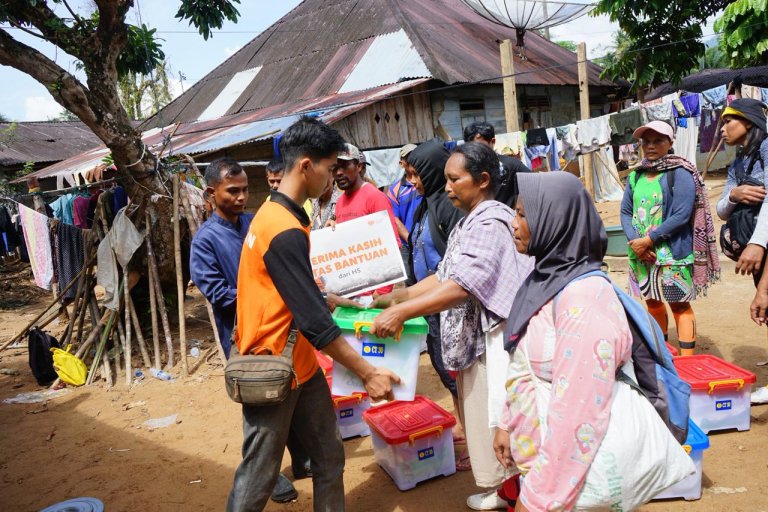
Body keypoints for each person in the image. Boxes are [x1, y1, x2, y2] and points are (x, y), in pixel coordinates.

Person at [227, 117, 400, 512]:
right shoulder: (281, 228)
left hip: (301, 365)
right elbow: (315, 323)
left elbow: (292, 296)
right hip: (273, 369)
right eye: (329, 167)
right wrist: (368, 372)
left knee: (329, 456)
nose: (333, 177)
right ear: (306, 166)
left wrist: (323, 294)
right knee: (258, 477)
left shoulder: (276, 214)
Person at [371, 142, 534, 511]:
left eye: (454, 179)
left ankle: (518, 497)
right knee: (487, 418)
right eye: (445, 179)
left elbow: (462, 286)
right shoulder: (470, 220)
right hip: (479, 339)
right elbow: (446, 274)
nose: (446, 187)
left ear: (483, 180)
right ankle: (506, 492)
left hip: (497, 339)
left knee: (501, 421)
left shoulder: (489, 223)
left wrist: (402, 312)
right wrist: (399, 297)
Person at [495, 171, 633, 511]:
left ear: (555, 221)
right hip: (543, 470)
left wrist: (538, 499)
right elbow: (524, 363)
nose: (513, 224)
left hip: (564, 485)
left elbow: (578, 414)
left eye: (523, 215)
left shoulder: (583, 298)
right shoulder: (546, 279)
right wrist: (507, 422)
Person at [190, 158, 306, 504]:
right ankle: (267, 476)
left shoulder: (254, 223)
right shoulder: (205, 241)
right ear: (211, 193)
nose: (242, 197)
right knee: (259, 406)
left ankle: (302, 457)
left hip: (279, 329)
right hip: (243, 338)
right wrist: (267, 293)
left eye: (244, 190)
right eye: (233, 191)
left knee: (289, 392)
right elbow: (217, 293)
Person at [620, 120, 719, 356]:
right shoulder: (636, 176)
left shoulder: (680, 173)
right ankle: (662, 353)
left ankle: (687, 359)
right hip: (641, 254)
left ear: (670, 142)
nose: (650, 146)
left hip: (672, 254)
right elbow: (625, 212)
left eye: (658, 141)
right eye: (646, 141)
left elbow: (681, 214)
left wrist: (649, 240)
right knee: (652, 301)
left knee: (679, 304)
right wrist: (636, 242)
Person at [403, 140, 466, 464]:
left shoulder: (448, 207)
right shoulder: (424, 205)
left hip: (447, 302)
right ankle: (464, 424)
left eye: (417, 174)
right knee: (443, 366)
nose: (412, 182)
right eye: (409, 175)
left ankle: (472, 436)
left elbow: (452, 265)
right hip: (429, 300)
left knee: (457, 370)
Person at [718, 99, 768, 405]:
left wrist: (757, 243)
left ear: (748, 121)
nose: (722, 129)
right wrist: (735, 195)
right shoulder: (740, 162)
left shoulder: (767, 149)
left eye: (728, 122)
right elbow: (721, 209)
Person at [333, 142, 401, 297]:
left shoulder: (374, 197)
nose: (339, 172)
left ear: (359, 166)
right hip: (349, 291)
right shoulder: (340, 203)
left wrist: (380, 293)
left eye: (344, 166)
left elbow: (391, 245)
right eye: (335, 168)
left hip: (372, 294)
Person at [463, 121, 531, 208]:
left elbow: (534, 184)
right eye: (471, 148)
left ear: (492, 141)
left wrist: (519, 207)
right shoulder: (464, 169)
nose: (476, 151)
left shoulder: (511, 166)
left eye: (480, 147)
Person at [387, 143, 423, 278]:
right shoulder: (395, 189)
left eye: (416, 156)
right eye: (409, 158)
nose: (413, 160)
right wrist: (412, 241)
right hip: (407, 246)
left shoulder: (425, 182)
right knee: (411, 281)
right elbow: (395, 219)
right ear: (401, 164)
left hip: (427, 241)